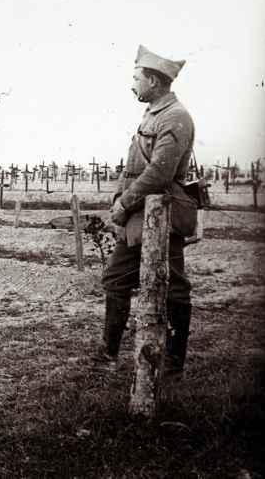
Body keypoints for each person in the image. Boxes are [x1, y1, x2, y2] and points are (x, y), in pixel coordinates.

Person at [94, 45, 198, 376]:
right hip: (138, 216)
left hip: (161, 214)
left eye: (136, 78)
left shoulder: (176, 117)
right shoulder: (153, 113)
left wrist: (124, 204)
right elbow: (133, 167)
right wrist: (117, 198)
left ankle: (173, 364)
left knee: (174, 286)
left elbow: (159, 174)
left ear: (153, 80)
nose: (132, 84)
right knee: (116, 279)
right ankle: (109, 354)